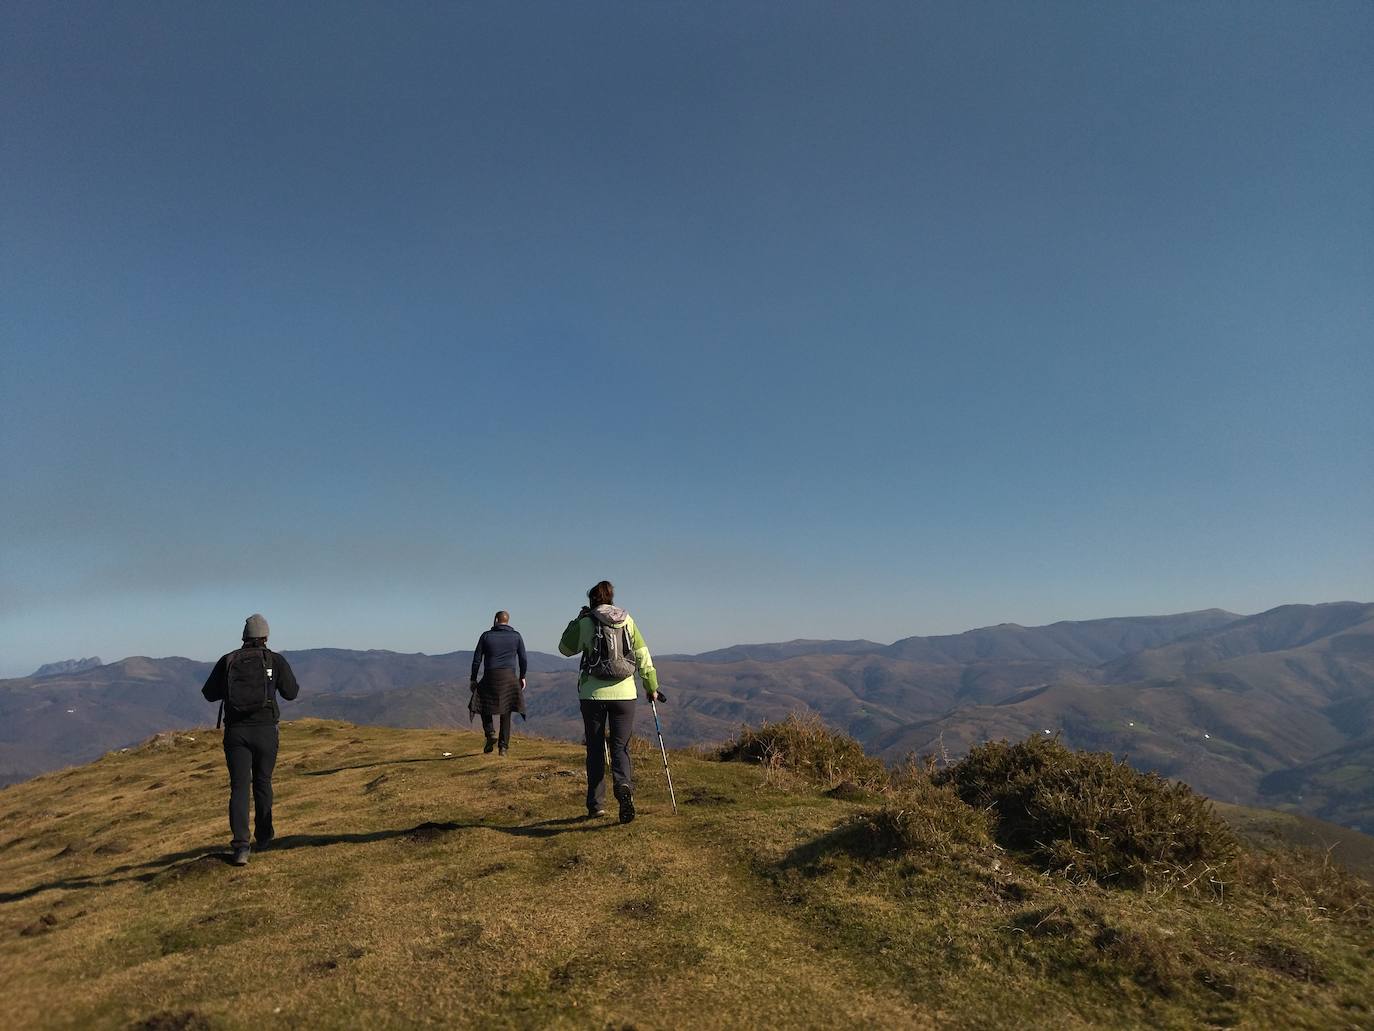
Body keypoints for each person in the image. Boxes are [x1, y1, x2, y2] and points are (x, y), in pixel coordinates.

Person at [200, 614, 300, 866]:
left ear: (244, 636)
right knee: (263, 782)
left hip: (236, 733)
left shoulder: (229, 660)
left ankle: (241, 847)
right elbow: (291, 693)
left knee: (239, 788)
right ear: (266, 636)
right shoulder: (275, 660)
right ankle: (264, 837)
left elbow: (208, 694)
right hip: (266, 730)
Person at [558, 581, 661, 823]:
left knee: (594, 749)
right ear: (611, 599)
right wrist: (651, 686)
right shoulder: (627, 620)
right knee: (620, 748)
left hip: (593, 695)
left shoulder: (587, 622)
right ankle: (623, 786)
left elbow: (564, 648)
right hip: (625, 694)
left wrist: (577, 620)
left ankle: (596, 806)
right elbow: (642, 655)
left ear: (592, 600)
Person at [469, 610, 527, 756]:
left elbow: (477, 660)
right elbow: (523, 659)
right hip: (509, 676)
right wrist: (522, 676)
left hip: (491, 675)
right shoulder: (516, 636)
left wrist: (473, 679)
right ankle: (503, 748)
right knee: (506, 711)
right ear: (507, 621)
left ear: (495, 620)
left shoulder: (486, 636)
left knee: (481, 703)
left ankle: (490, 733)